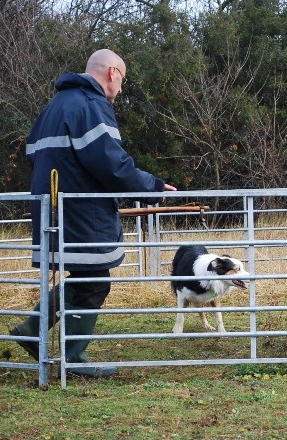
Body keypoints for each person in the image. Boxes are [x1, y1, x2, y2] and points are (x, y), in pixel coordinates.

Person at [10, 49, 176, 377]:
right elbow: (110, 163)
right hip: (83, 212)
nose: (122, 88)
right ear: (112, 73)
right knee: (94, 281)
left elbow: (32, 156)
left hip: (52, 210)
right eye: (123, 80)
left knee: (88, 279)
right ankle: (72, 358)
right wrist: (152, 187)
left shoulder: (51, 108)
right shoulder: (91, 105)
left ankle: (33, 329)